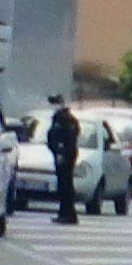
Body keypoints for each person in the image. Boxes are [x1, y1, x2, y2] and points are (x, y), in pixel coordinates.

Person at [46, 96, 80, 224]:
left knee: (66, 185)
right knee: (63, 185)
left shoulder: (65, 119)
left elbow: (69, 138)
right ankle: (63, 212)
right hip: (62, 154)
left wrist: (62, 153)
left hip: (65, 155)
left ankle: (69, 214)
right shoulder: (61, 118)